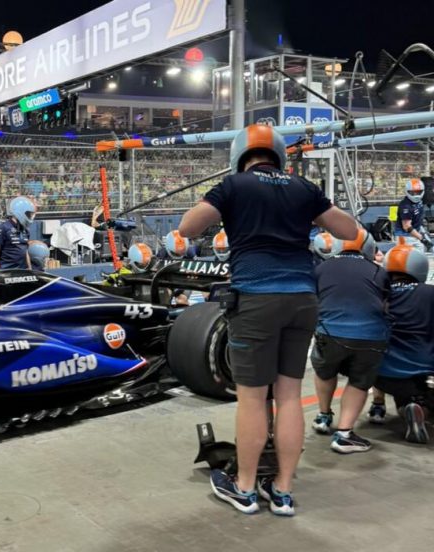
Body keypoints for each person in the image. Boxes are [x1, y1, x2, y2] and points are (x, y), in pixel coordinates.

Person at [178, 124, 358, 516]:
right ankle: (283, 491)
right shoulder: (303, 187)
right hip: (302, 299)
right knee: (290, 394)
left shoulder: (234, 185)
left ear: (240, 154)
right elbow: (349, 229)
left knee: (253, 398)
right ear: (278, 155)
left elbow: (188, 227)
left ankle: (244, 488)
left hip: (257, 299)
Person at [310, 229, 390, 453]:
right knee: (358, 381)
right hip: (370, 337)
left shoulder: (321, 269)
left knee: (325, 371)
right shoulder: (378, 271)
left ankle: (324, 416)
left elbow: (313, 301)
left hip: (330, 333)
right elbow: (386, 305)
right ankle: (345, 434)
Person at [374, 243, 434, 444]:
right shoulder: (429, 293)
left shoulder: (379, 293)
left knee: (403, 395)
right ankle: (422, 409)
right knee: (422, 394)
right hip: (424, 369)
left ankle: (381, 405)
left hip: (384, 372)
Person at [0, 196, 34, 270]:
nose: (30, 217)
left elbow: (25, 251)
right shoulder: (3, 228)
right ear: (20, 211)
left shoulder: (25, 230)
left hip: (22, 271)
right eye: (28, 214)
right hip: (7, 271)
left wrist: (29, 268)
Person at [394, 178, 432, 252]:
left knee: (420, 256)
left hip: (415, 235)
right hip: (404, 237)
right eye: (413, 192)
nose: (416, 195)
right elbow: (406, 226)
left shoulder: (419, 202)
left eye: (418, 192)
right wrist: (422, 238)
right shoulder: (406, 206)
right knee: (407, 259)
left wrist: (422, 233)